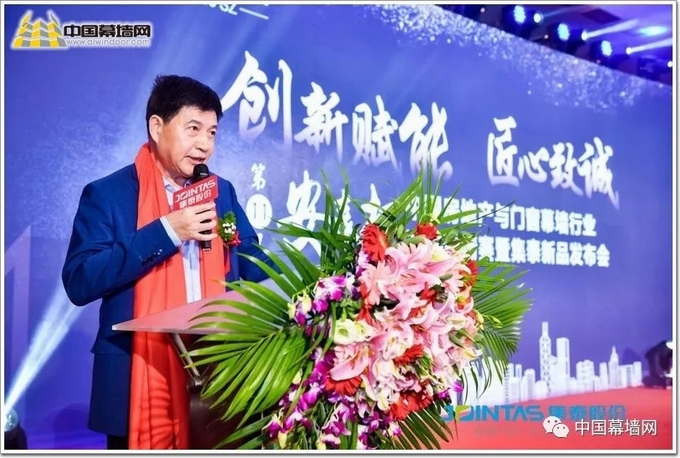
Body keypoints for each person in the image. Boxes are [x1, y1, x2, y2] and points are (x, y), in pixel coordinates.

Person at [62, 75, 275, 450]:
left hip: (218, 372)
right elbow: (80, 279)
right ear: (157, 127)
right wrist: (166, 231)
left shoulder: (220, 191)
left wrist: (303, 295)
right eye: (193, 128)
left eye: (211, 132)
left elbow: (251, 259)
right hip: (137, 373)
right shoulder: (108, 194)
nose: (204, 144)